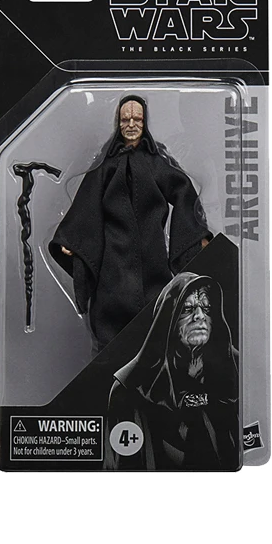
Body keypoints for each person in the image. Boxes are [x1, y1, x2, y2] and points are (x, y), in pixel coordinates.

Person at [49, 95, 211, 352]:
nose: (132, 124)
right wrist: (74, 240)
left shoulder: (156, 163)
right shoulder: (106, 166)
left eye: (137, 119)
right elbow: (87, 202)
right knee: (110, 309)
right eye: (126, 119)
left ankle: (155, 359)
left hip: (152, 254)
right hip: (114, 257)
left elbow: (183, 192)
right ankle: (107, 360)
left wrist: (193, 236)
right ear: (118, 122)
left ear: (145, 122)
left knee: (157, 308)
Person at [104, 272, 239, 471]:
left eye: (207, 308)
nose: (200, 316)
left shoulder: (235, 372)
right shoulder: (129, 389)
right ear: (169, 319)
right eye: (188, 309)